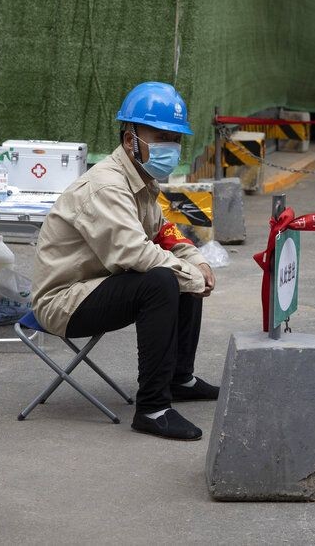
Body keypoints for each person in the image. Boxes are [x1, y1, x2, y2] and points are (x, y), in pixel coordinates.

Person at [32, 81, 218, 439]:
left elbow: (165, 233)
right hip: (63, 301)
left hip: (96, 284)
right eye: (161, 136)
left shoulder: (142, 182)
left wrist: (198, 262)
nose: (170, 147)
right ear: (129, 136)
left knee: (177, 271)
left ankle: (180, 379)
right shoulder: (107, 186)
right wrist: (192, 278)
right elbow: (134, 252)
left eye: (176, 139)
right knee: (162, 279)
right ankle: (152, 408)